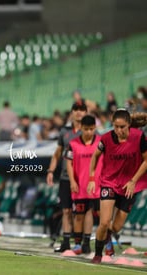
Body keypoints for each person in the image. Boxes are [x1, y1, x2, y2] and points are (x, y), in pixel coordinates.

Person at [88, 109, 147, 264]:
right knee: (104, 222)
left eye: (123, 127)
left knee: (116, 227)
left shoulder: (139, 137)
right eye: (116, 127)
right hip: (109, 182)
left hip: (129, 185)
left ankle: (108, 236)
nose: (119, 130)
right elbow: (95, 156)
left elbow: (146, 160)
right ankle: (98, 253)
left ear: (129, 125)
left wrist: (133, 181)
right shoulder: (106, 139)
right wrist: (92, 178)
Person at [46, 102, 87, 252]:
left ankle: (80, 242)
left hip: (82, 178)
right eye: (76, 109)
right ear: (72, 112)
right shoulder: (65, 132)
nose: (79, 112)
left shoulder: (89, 131)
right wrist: (50, 171)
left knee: (81, 212)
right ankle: (66, 242)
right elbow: (57, 154)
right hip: (65, 177)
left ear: (86, 112)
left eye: (82, 110)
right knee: (66, 211)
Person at [66, 115, 101, 255]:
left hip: (95, 186)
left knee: (89, 214)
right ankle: (77, 244)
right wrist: (72, 181)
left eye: (91, 129)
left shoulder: (100, 142)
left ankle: (87, 243)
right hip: (79, 185)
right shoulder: (73, 144)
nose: (88, 132)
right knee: (78, 215)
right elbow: (68, 163)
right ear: (81, 128)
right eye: (86, 129)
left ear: (95, 128)